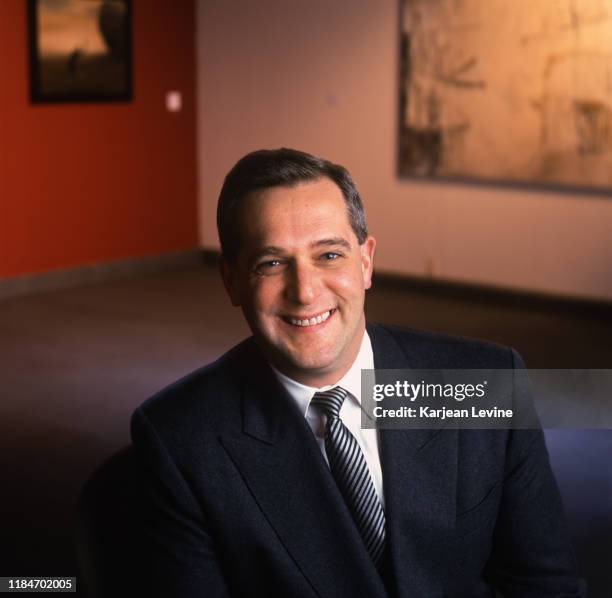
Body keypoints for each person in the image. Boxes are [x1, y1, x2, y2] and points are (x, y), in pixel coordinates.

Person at [131, 148, 584, 597]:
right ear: (231, 281)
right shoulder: (180, 439)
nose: (305, 292)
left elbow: (545, 585)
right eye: (271, 263)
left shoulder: (485, 382)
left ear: (365, 262)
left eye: (329, 255)